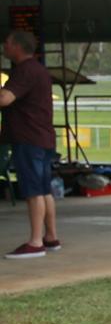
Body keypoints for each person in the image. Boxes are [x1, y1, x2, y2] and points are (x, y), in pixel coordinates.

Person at [0, 30, 60, 258]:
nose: (4, 47)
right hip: (42, 138)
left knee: (33, 190)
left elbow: (5, 98)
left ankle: (35, 243)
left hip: (28, 138)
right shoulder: (39, 70)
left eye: (7, 43)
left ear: (17, 46)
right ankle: (50, 236)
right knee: (44, 189)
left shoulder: (24, 70)